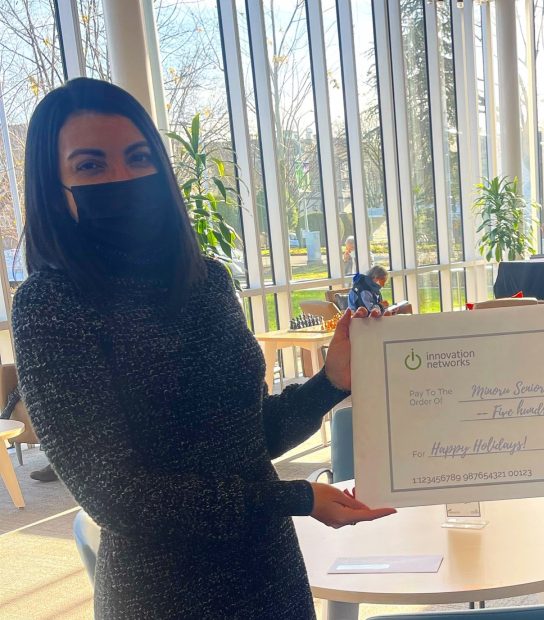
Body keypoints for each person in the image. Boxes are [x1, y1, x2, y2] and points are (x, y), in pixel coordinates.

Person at [12, 77, 395, 619]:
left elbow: (242, 439)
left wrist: (330, 384)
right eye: (91, 165)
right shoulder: (51, 306)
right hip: (163, 594)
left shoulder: (206, 281)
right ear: (54, 188)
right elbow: (118, 497)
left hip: (270, 573)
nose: (123, 177)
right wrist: (296, 498)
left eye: (138, 157)